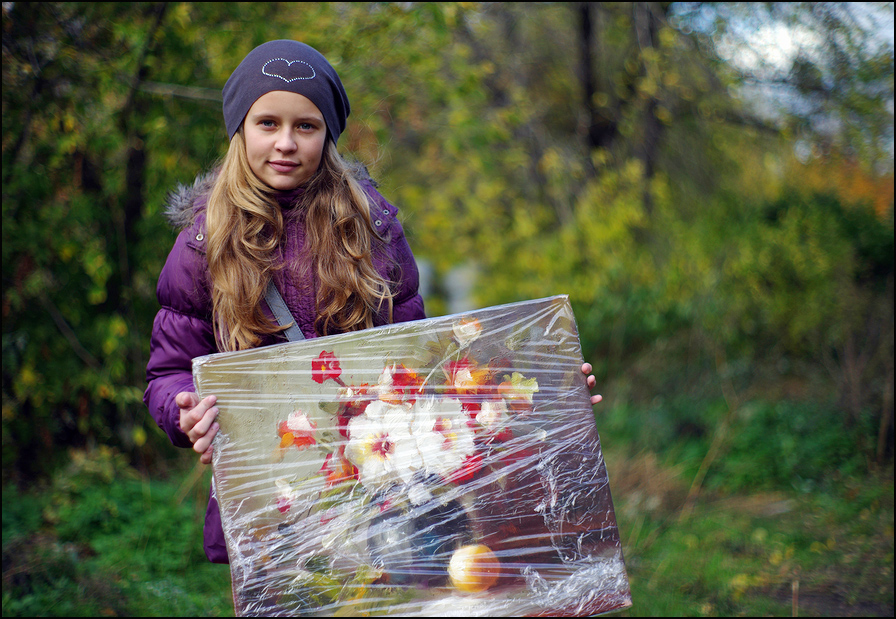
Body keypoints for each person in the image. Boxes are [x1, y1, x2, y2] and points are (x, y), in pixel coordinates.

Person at [144, 40, 601, 564]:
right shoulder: (203, 246)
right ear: (239, 130)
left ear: (329, 134)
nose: (286, 142)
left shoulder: (372, 230)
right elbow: (169, 373)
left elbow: (422, 369)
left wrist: (546, 392)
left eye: (306, 126)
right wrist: (184, 412)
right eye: (267, 123)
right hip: (271, 500)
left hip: (376, 493)